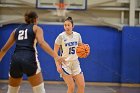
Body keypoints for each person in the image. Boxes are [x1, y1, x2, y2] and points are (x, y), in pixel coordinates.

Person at [0, 11, 65, 93]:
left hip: (15, 60)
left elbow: (3, 49)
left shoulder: (15, 30)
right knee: (39, 91)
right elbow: (41, 43)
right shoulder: (36, 28)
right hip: (29, 59)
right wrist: (56, 56)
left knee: (12, 91)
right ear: (36, 19)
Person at [54, 17, 85, 93]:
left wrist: (85, 49)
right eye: (65, 25)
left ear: (72, 26)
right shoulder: (61, 36)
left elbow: (81, 47)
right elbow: (55, 52)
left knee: (82, 85)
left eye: (68, 25)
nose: (67, 27)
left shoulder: (77, 35)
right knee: (71, 87)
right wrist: (57, 65)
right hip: (65, 64)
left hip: (75, 63)